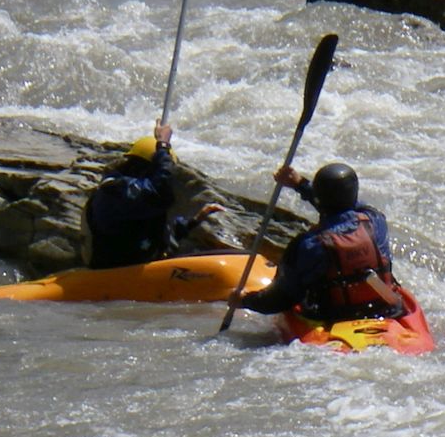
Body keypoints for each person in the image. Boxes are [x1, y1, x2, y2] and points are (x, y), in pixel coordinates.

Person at [227, 162, 407, 323]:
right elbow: (343, 205)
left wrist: (244, 300)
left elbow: (280, 300)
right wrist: (301, 185)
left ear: (320, 198)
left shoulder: (308, 245)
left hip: (332, 318)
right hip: (385, 309)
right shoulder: (376, 221)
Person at [81, 123, 221, 268]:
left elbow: (156, 234)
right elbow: (159, 193)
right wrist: (163, 146)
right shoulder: (116, 191)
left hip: (136, 270)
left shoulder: (136, 198)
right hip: (112, 274)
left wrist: (194, 222)